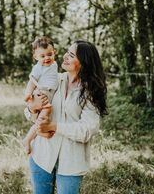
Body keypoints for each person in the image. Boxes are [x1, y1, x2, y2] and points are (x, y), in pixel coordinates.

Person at [24, 40, 108, 194]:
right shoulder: (54, 80)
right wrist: (32, 108)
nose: (65, 57)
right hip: (42, 155)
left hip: (71, 161)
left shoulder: (90, 91)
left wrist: (54, 126)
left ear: (83, 62)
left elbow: (88, 130)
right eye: (67, 53)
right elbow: (30, 113)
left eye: (71, 55)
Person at [23, 37, 58, 154]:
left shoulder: (54, 65)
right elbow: (32, 81)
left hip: (48, 93)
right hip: (41, 93)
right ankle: (39, 131)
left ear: (54, 52)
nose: (47, 58)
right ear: (36, 57)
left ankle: (28, 139)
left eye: (49, 54)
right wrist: (28, 94)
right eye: (42, 56)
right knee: (45, 114)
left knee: (42, 118)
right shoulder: (38, 67)